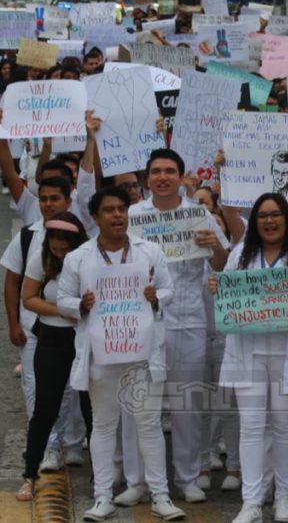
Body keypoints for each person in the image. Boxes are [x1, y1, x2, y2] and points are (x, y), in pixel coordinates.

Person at [57, 187, 185, 521]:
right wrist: (80, 305)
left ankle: (160, 496)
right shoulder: (79, 257)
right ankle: (102, 497)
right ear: (96, 217)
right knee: (102, 426)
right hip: (101, 356)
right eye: (109, 210)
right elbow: (62, 300)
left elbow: (170, 289)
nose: (117, 215)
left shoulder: (149, 251)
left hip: (141, 354)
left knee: (148, 425)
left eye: (122, 209)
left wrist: (155, 295)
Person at [210, 192, 288, 523]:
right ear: (255, 222)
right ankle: (251, 502)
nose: (269, 221)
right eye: (263, 215)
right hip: (249, 353)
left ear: (287, 218)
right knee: (251, 428)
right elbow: (226, 299)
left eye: (275, 214)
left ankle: (283, 497)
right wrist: (218, 290)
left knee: (284, 427)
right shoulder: (240, 253)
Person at [127, 148, 229, 504]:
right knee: (142, 403)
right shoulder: (133, 216)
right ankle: (138, 481)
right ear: (147, 178)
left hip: (188, 321)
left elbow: (222, 264)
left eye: (170, 170)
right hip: (142, 321)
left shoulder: (198, 215)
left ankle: (187, 477)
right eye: (155, 171)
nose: (162, 177)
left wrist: (213, 244)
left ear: (181, 176)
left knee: (187, 405)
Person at [16, 212, 91, 501]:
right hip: (50, 339)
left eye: (65, 248)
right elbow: (29, 298)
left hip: (83, 339)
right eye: (56, 248)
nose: (60, 253)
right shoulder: (41, 257)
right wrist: (65, 309)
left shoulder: (90, 258)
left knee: (89, 408)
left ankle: (102, 477)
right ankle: (29, 475)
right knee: (45, 410)